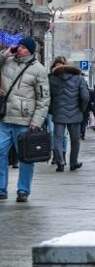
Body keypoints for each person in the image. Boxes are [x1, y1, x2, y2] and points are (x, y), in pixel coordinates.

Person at [0, 37, 50, 202]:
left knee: (25, 157)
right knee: (0, 153)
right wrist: (5, 53)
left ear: (29, 50)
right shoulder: (7, 62)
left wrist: (37, 121)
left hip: (24, 120)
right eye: (18, 46)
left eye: (21, 47)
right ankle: (1, 188)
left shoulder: (39, 69)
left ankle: (23, 190)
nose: (18, 49)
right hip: (4, 117)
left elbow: (43, 99)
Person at [49, 60, 89, 172]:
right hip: (75, 114)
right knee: (75, 140)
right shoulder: (80, 79)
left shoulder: (53, 79)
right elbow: (85, 97)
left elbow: (48, 97)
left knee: (57, 138)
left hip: (58, 113)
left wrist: (52, 110)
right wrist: (82, 109)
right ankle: (73, 162)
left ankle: (60, 162)